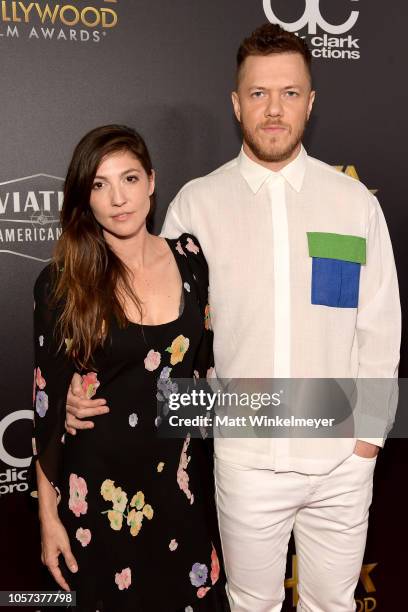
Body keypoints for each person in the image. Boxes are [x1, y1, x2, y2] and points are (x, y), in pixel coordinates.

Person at [65, 25, 401, 612]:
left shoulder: (354, 205)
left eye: (290, 93)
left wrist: (367, 442)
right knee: (250, 605)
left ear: (311, 101)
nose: (274, 110)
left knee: (335, 605)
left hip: (342, 464)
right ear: (236, 102)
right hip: (245, 459)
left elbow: (379, 324)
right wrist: (85, 383)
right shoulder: (196, 203)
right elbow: (151, 332)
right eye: (258, 93)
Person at [31, 124, 229, 612]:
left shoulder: (192, 261)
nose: (118, 198)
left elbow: (203, 372)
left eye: (130, 179)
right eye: (100, 185)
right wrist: (48, 517)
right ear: (85, 198)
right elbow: (44, 406)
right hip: (98, 499)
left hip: (180, 491)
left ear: (153, 183)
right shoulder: (63, 281)